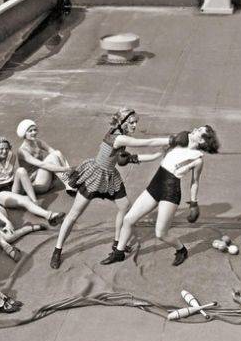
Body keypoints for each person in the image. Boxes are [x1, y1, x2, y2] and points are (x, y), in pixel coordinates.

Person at [50, 108, 170, 269]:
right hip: (95, 174)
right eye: (132, 122)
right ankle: (57, 250)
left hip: (109, 175)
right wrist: (170, 140)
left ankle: (117, 242)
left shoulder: (120, 134)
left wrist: (157, 155)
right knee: (74, 214)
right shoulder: (119, 138)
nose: (135, 125)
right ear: (123, 122)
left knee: (124, 205)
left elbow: (127, 159)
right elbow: (145, 143)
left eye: (136, 122)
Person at [101, 125, 220, 267]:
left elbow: (195, 182)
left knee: (161, 234)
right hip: (155, 185)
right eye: (197, 128)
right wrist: (133, 158)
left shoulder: (198, 159)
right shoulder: (179, 142)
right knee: (128, 219)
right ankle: (119, 253)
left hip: (170, 192)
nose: (195, 129)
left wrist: (194, 203)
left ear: (202, 141)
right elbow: (156, 154)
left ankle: (181, 249)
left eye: (199, 131)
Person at [0, 137, 65, 227]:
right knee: (25, 199)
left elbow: (9, 176)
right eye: (1, 149)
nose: (4, 151)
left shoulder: (11, 156)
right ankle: (50, 216)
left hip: (11, 186)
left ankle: (35, 202)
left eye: (6, 148)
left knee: (21, 170)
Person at [16, 119, 74, 195]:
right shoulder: (22, 151)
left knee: (57, 153)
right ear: (24, 133)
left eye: (35, 130)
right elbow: (42, 165)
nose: (34, 132)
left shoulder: (38, 142)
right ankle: (68, 183)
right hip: (36, 183)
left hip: (45, 177)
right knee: (51, 159)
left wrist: (65, 166)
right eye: (30, 131)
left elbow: (53, 152)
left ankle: (70, 178)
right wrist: (64, 169)